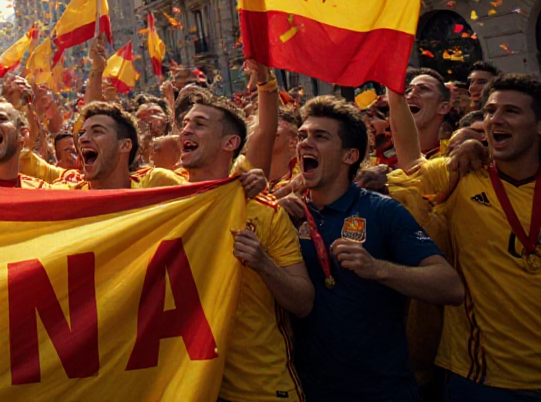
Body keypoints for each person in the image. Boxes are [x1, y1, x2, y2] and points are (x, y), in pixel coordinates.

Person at [282, 96, 463, 402]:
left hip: (383, 390)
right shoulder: (286, 214)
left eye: (320, 137)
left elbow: (450, 287)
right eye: (303, 136)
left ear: (350, 155)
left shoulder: (382, 211)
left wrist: (378, 268)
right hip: (306, 391)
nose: (305, 144)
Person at [388, 74, 541, 398]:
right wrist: (393, 91)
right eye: (489, 111)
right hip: (478, 379)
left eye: (511, 111)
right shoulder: (459, 174)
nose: (495, 119)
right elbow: (410, 158)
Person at [176, 93, 314, 402]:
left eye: (199, 124)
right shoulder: (162, 201)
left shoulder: (263, 210)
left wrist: (263, 263)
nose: (185, 130)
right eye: (184, 123)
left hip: (257, 388)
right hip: (184, 386)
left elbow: (303, 302)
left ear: (230, 143)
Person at [72, 102, 184, 190]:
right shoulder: (68, 193)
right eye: (82, 133)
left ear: (125, 145)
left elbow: (198, 202)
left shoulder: (156, 183)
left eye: (97, 132)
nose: (82, 139)